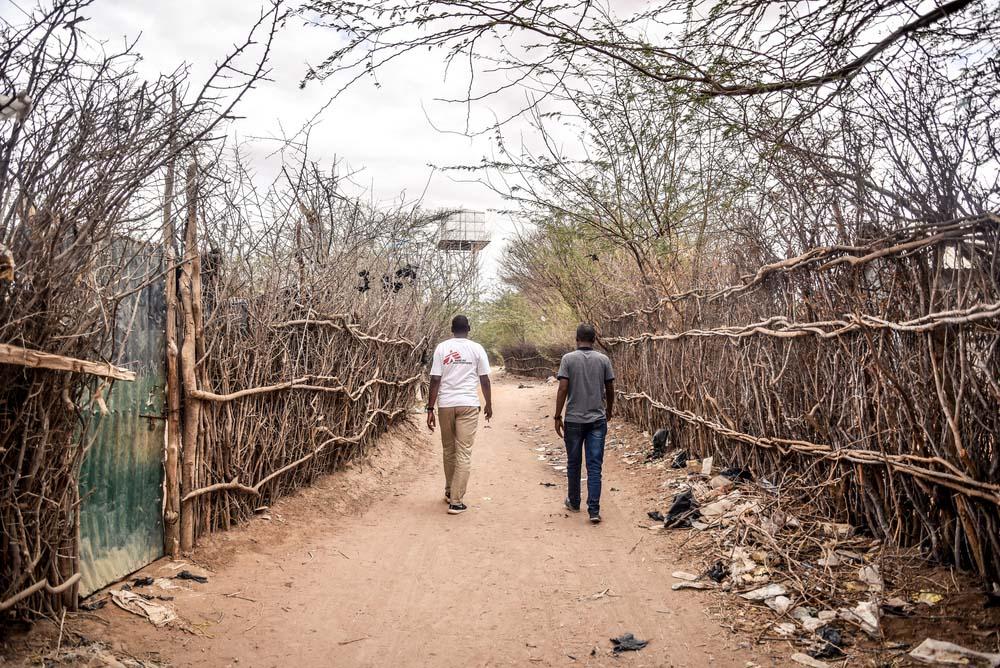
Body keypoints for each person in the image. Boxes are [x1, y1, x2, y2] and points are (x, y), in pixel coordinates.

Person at [426, 315, 493, 515]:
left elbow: (435, 379)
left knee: (449, 450)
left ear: (451, 329)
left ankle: (449, 490)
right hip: (469, 404)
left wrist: (430, 408)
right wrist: (489, 403)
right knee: (463, 451)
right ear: (469, 328)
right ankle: (456, 501)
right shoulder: (477, 349)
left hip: (445, 404)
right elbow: (485, 380)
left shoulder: (442, 348)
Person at [553, 324, 614, 524]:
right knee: (595, 466)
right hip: (597, 420)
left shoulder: (568, 359)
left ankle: (574, 500)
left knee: (573, 462)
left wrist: (557, 416)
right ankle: (594, 510)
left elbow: (563, 388)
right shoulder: (603, 360)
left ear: (576, 338)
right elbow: (610, 386)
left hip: (574, 420)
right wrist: (609, 409)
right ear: (594, 340)